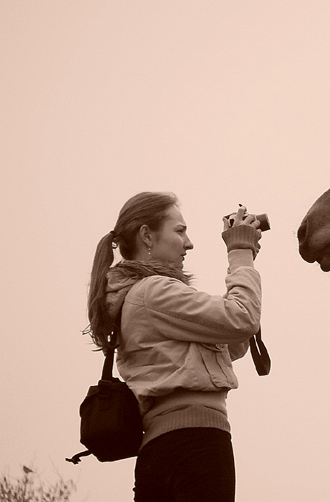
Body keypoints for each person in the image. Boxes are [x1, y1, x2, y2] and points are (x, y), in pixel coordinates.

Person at [86, 191, 263, 502]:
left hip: (161, 451)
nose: (189, 243)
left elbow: (233, 344)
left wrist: (243, 258)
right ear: (147, 236)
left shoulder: (140, 297)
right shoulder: (152, 291)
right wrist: (239, 255)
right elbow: (242, 318)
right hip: (195, 445)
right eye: (180, 231)